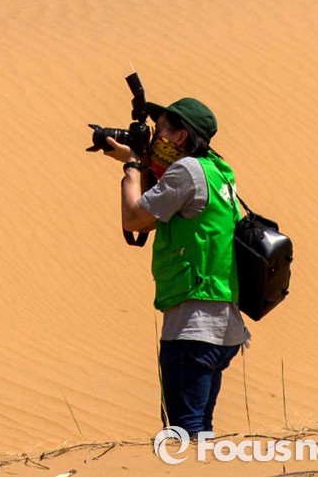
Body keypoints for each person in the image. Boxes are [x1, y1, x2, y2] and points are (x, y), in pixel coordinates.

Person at [104, 96, 249, 437]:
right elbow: (161, 215)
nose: (156, 138)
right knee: (199, 432)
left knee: (182, 434)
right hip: (221, 321)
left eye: (160, 130)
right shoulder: (216, 170)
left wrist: (132, 167)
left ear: (181, 136)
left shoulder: (187, 171)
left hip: (192, 325)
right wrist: (144, 163)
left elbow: (135, 219)